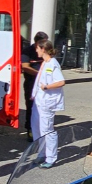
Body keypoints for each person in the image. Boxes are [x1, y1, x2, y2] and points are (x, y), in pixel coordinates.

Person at [31, 40, 65, 168]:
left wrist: (47, 87)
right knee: (37, 127)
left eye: (37, 49)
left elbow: (61, 81)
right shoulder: (45, 63)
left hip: (47, 102)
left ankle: (51, 157)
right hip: (39, 101)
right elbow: (39, 79)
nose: (36, 51)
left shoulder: (52, 64)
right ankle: (41, 153)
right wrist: (34, 93)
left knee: (47, 129)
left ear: (43, 49)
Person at [20, 31, 49, 140]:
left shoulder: (46, 51)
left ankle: (41, 129)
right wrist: (40, 74)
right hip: (31, 83)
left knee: (43, 107)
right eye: (43, 42)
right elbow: (25, 67)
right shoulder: (28, 51)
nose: (44, 44)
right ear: (37, 42)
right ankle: (30, 129)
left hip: (44, 84)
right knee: (31, 106)